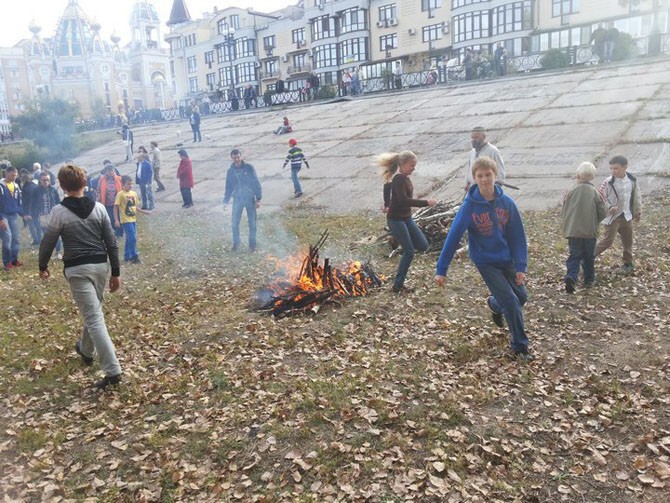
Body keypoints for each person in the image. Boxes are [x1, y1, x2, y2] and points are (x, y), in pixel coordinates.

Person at [435, 156, 533, 361]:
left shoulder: (507, 203)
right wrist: (441, 269)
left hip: (507, 259)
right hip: (486, 261)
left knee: (521, 297)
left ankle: (494, 304)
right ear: (474, 179)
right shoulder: (469, 206)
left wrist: (521, 265)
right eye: (480, 176)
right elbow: (453, 237)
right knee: (512, 301)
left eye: (488, 175)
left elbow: (517, 236)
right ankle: (520, 347)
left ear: (495, 176)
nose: (485, 179)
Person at [38, 164, 123, 390]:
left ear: (62, 186)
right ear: (85, 183)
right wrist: (115, 272)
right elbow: (111, 243)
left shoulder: (59, 212)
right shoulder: (99, 209)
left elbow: (49, 241)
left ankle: (113, 371)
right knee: (93, 311)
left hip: (77, 270)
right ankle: (86, 351)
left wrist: (42, 265)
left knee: (94, 317)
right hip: (99, 268)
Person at [380, 150, 437, 293]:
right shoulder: (399, 178)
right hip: (396, 219)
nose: (414, 168)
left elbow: (387, 186)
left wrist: (387, 203)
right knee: (409, 251)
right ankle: (397, 285)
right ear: (403, 164)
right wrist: (426, 203)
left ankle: (399, 239)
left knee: (423, 245)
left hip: (406, 218)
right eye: (412, 165)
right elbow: (403, 200)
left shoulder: (403, 178)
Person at [561, 162, 608, 293]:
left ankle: (571, 276)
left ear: (578, 174)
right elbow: (603, 212)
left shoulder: (571, 191)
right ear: (592, 177)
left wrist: (567, 226)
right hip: (589, 232)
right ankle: (589, 279)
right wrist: (595, 222)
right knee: (588, 256)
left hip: (573, 231)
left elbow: (564, 210)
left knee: (574, 255)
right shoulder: (595, 193)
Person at [595, 155, 641, 275]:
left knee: (628, 240)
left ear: (625, 167)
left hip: (627, 215)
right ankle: (587, 257)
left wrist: (637, 211)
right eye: (611, 168)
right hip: (613, 217)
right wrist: (609, 206)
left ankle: (628, 263)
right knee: (607, 241)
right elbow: (601, 196)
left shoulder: (632, 180)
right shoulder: (608, 181)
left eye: (616, 168)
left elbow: (636, 196)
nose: (613, 171)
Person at [223, 149, 262, 253]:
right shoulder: (230, 171)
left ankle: (252, 246)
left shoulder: (249, 168)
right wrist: (225, 201)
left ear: (241, 156)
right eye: (234, 158)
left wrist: (258, 199)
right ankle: (236, 244)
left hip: (249, 199)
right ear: (231, 158)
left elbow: (256, 182)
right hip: (237, 199)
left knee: (252, 223)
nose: (236, 159)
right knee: (234, 223)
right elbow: (228, 187)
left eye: (238, 157)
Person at [114, 175, 150, 264]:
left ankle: (127, 256)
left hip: (133, 219)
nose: (130, 186)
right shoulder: (120, 194)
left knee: (129, 238)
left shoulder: (133, 194)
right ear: (123, 184)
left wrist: (145, 212)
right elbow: (115, 207)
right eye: (128, 184)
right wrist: (116, 220)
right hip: (125, 220)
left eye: (131, 184)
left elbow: (135, 207)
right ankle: (134, 257)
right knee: (133, 238)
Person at [0, 166, 30, 271]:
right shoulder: (1, 186)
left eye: (15, 175)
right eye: (12, 175)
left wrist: (24, 214)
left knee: (16, 239)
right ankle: (7, 262)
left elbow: (18, 203)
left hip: (13, 216)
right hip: (3, 215)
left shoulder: (16, 186)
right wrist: (0, 219)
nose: (14, 177)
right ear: (7, 174)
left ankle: (14, 260)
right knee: (7, 238)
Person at [32, 171, 63, 259]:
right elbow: (33, 204)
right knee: (47, 236)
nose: (46, 181)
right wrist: (34, 216)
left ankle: (58, 253)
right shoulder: (36, 190)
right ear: (40, 180)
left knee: (56, 234)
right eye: (44, 180)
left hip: (53, 215)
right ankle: (47, 254)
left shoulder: (53, 189)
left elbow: (58, 201)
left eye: (48, 180)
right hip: (42, 216)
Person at [464, 127, 505, 191]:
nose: (473, 140)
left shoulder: (493, 151)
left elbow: (500, 172)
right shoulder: (472, 152)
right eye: (472, 137)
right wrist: (467, 183)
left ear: (484, 137)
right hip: (473, 189)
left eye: (476, 137)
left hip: (487, 189)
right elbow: (469, 169)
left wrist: (495, 187)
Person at [98, 164, 123, 238]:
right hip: (107, 203)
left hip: (117, 202)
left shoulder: (119, 178)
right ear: (106, 172)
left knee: (118, 217)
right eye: (109, 171)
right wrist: (98, 201)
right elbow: (99, 190)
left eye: (112, 170)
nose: (111, 172)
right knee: (111, 218)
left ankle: (120, 232)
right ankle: (116, 231)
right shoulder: (102, 180)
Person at [20, 171, 40, 245]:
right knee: (37, 224)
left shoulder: (26, 188)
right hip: (36, 209)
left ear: (23, 180)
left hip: (29, 210)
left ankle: (36, 240)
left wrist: (27, 212)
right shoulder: (34, 185)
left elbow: (26, 201)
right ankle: (39, 238)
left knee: (32, 226)